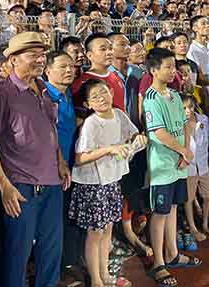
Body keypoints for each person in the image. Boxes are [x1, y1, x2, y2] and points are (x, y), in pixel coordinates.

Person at [0, 32, 71, 287]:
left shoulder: (44, 89)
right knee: (16, 254)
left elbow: (50, 129)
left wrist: (60, 161)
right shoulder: (1, 94)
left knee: (51, 251)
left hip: (52, 182)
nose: (40, 60)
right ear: (13, 60)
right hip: (20, 186)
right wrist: (4, 185)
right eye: (33, 55)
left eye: (42, 55)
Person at [70, 78, 142, 287]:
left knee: (108, 230)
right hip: (93, 184)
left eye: (103, 92)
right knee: (95, 233)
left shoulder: (119, 115)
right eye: (95, 97)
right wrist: (109, 149)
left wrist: (138, 140)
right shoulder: (91, 123)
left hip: (112, 180)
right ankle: (96, 280)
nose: (101, 98)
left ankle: (106, 274)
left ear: (111, 92)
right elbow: (80, 158)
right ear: (88, 104)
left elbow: (133, 135)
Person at [144, 48, 201, 287]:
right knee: (160, 213)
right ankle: (158, 263)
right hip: (162, 166)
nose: (172, 71)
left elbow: (186, 124)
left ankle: (172, 252)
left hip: (179, 163)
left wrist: (185, 151)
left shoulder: (175, 95)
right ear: (154, 70)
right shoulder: (151, 98)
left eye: (173, 67)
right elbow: (158, 132)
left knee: (174, 208)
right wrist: (182, 151)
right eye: (167, 67)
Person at [44, 50, 83, 284]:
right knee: (52, 225)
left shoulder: (67, 94)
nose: (69, 70)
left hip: (71, 168)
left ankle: (67, 264)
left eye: (71, 66)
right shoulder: (44, 96)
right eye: (62, 66)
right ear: (47, 70)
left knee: (67, 218)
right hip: (52, 170)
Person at [181, 94, 209, 242]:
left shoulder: (204, 119)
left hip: (203, 164)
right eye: (184, 108)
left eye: (190, 107)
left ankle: (205, 223)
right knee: (188, 199)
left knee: (208, 196)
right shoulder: (178, 124)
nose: (188, 110)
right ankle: (193, 227)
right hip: (189, 167)